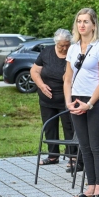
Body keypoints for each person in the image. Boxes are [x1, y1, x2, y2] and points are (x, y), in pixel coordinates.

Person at [63, 8, 99, 197]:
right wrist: (68, 102)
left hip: (95, 102)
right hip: (76, 100)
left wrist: (90, 104)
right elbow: (67, 79)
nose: (82, 25)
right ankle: (89, 186)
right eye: (79, 21)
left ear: (94, 25)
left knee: (96, 146)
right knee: (84, 146)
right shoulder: (72, 48)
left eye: (86, 21)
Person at [32, 29, 75, 168]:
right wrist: (41, 85)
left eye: (67, 45)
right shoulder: (47, 52)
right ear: (56, 43)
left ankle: (72, 156)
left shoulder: (73, 53)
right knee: (50, 127)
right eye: (61, 45)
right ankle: (53, 156)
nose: (64, 48)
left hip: (66, 99)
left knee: (69, 127)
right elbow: (34, 71)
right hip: (46, 99)